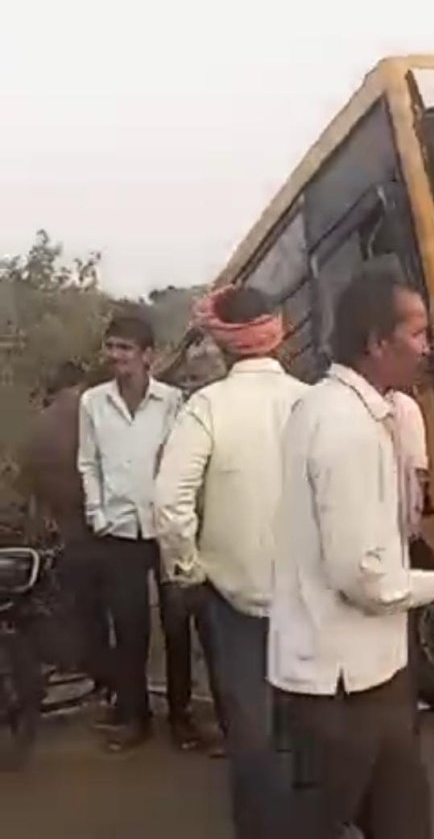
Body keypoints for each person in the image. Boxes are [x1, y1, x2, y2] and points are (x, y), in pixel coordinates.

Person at [268, 268, 434, 839]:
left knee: (402, 817)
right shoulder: (345, 427)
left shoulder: (349, 411)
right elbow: (364, 576)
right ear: (375, 342)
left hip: (367, 674)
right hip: (341, 684)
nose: (427, 347)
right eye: (416, 333)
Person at [155, 285, 308, 839]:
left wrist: (187, 570)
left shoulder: (206, 407)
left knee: (251, 730)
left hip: (233, 596)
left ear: (222, 344)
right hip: (310, 594)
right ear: (277, 334)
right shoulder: (312, 402)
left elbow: (169, 503)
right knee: (308, 721)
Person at [77, 313, 184, 753]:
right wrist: (97, 512)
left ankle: (181, 716)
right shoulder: (93, 403)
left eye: (125, 348)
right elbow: (88, 463)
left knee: (176, 624)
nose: (116, 356)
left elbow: (182, 462)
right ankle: (135, 717)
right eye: (111, 347)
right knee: (129, 626)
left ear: (148, 355)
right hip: (118, 528)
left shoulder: (172, 402)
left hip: (167, 528)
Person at [19, 362, 114, 702]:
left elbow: (29, 490)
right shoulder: (90, 412)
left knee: (85, 610)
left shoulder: (37, 426)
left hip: (66, 532)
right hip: (103, 527)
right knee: (117, 611)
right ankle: (117, 686)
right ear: (78, 383)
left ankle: (95, 675)